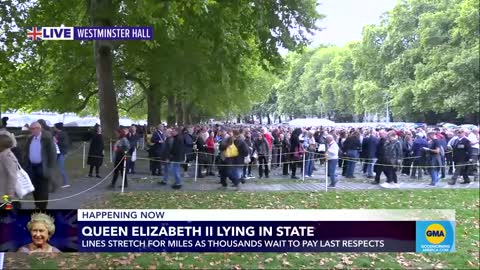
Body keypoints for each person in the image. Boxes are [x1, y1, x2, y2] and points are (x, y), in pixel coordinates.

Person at [24, 122, 57, 210]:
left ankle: (42, 207)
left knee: (43, 189)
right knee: (34, 187)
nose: (33, 130)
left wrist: (50, 168)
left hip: (42, 167)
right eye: (31, 129)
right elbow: (26, 153)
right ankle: (37, 205)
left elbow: (52, 155)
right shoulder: (30, 139)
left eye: (35, 128)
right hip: (32, 167)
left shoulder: (46, 139)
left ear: (39, 128)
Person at [0, 133, 18, 208]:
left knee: (8, 210)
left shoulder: (7, 157)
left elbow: (12, 176)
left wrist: (10, 194)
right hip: (3, 191)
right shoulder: (3, 154)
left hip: (5, 193)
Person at [53, 123, 70, 188]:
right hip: (56, 152)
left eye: (54, 127)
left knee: (61, 168)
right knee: (56, 168)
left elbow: (65, 144)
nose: (53, 128)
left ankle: (66, 182)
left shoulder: (64, 134)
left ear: (57, 127)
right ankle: (57, 182)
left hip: (61, 153)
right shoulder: (56, 134)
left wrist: (56, 141)